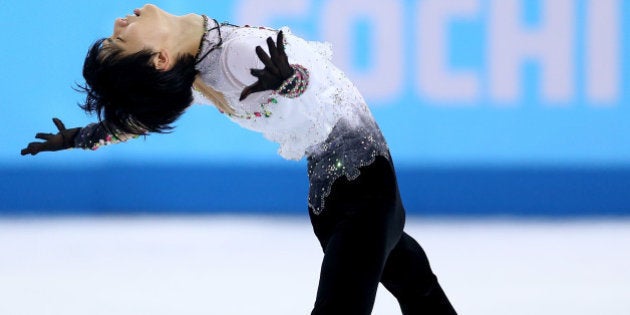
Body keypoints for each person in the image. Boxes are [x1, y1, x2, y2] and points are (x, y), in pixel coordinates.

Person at [21, 4, 457, 314]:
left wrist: (85, 137)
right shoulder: (228, 59)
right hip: (349, 192)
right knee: (413, 283)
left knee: (409, 281)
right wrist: (291, 83)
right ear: (159, 59)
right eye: (120, 38)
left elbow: (302, 85)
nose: (120, 22)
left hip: (358, 189)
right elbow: (302, 88)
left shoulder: (204, 64)